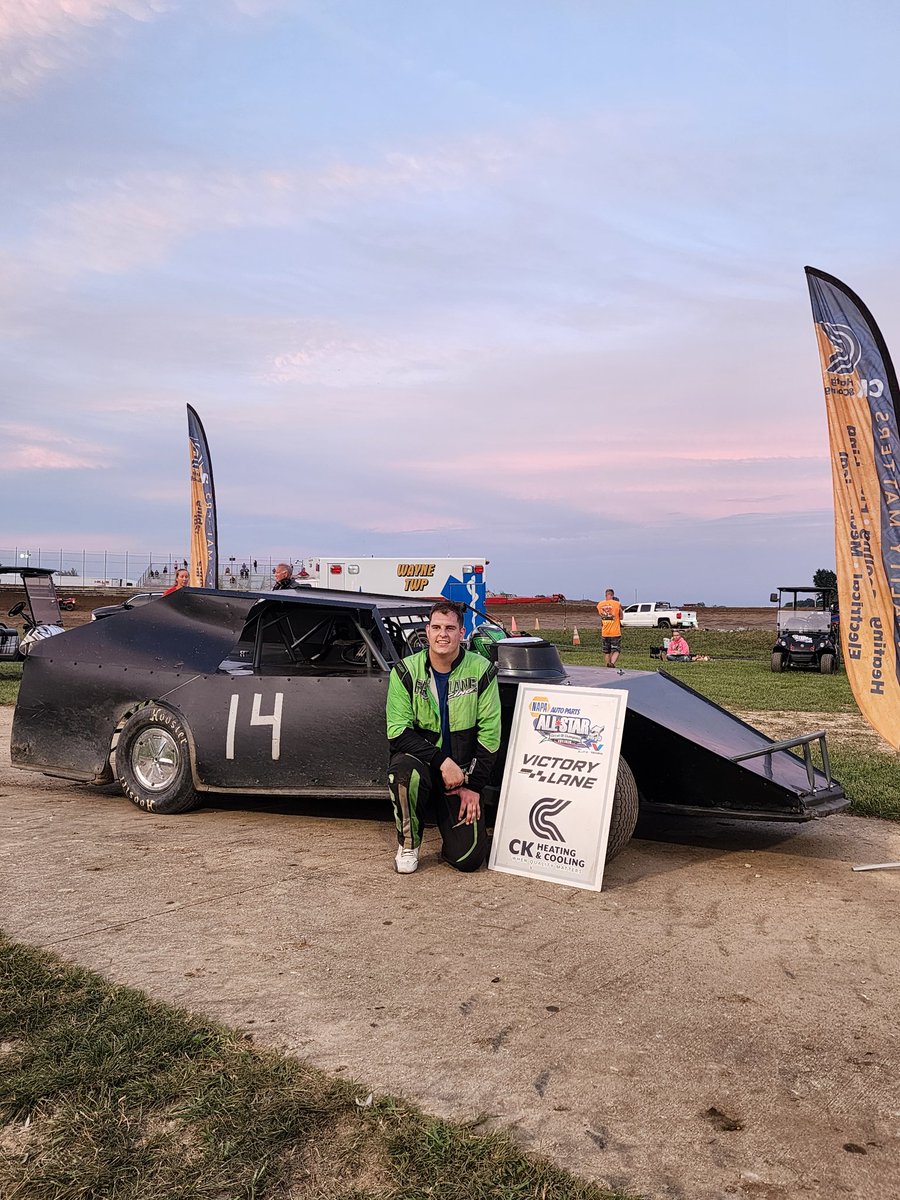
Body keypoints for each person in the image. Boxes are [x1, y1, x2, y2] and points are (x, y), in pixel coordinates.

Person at [386, 600, 501, 875]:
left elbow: (490, 735)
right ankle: (408, 843)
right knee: (404, 770)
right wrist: (442, 761)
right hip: (425, 767)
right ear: (427, 631)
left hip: (462, 777)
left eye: (450, 628)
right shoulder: (405, 671)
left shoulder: (482, 670)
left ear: (462, 632)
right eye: (436, 627)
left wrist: (474, 786)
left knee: (469, 860)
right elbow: (397, 732)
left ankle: (450, 829)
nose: (442, 634)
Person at [596, 587, 624, 668]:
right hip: (615, 632)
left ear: (605, 595)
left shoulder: (600, 604)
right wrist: (619, 609)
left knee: (607, 651)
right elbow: (621, 617)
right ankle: (612, 663)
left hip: (605, 632)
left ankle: (607, 666)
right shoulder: (616, 603)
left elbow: (602, 616)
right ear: (612, 595)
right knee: (616, 650)